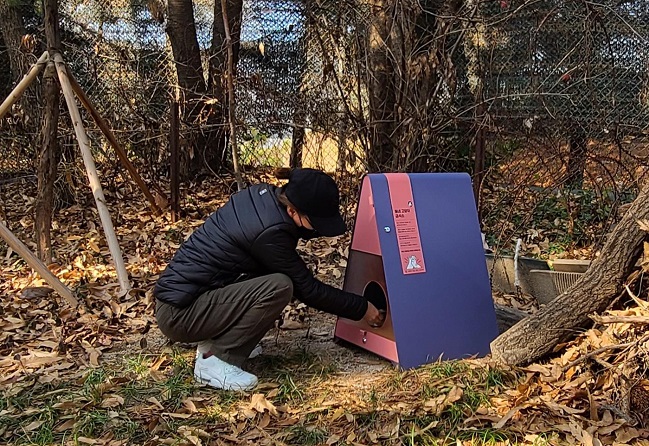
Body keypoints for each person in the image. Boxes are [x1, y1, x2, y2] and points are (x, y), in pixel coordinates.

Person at [154, 168, 385, 391]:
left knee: (269, 276)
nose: (318, 231)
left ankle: (219, 339)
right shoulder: (271, 232)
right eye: (315, 223)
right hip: (180, 315)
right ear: (293, 211)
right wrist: (362, 307)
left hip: (191, 300)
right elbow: (308, 290)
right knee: (279, 286)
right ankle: (215, 359)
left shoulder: (266, 199)